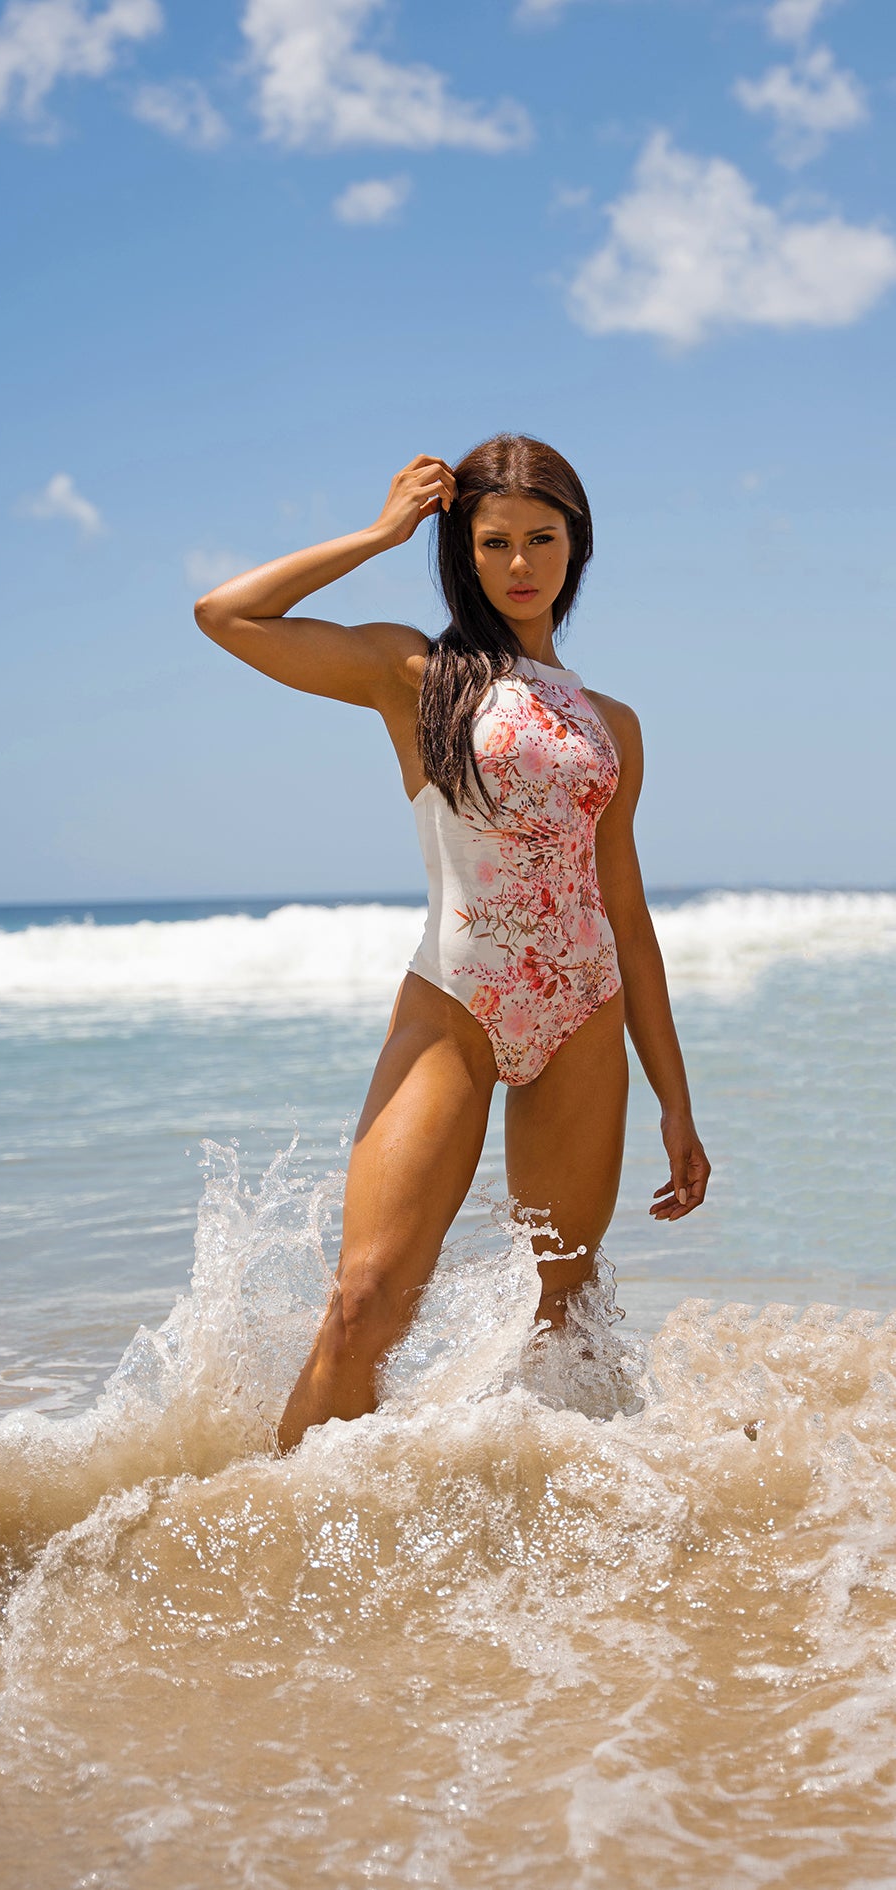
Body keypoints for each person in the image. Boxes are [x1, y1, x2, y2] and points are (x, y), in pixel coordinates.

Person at [192, 436, 711, 1450]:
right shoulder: (416, 672)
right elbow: (227, 614)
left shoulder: (613, 723)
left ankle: (542, 1557)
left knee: (562, 1316)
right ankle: (274, 1539)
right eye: (492, 543)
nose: (519, 565)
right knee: (364, 1302)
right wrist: (382, 530)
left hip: (585, 1017)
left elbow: (625, 911)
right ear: (459, 554)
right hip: (455, 1006)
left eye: (541, 540)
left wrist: (675, 1099)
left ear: (576, 547)